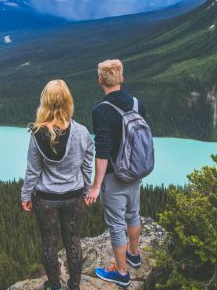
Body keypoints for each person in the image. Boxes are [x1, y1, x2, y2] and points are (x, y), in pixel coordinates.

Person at [21, 79, 94, 290]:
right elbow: (87, 166)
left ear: (45, 102)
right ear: (68, 101)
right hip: (74, 197)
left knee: (49, 243)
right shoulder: (82, 131)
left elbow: (33, 171)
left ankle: (54, 286)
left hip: (46, 199)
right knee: (73, 241)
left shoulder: (37, 133)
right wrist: (87, 190)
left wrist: (26, 196)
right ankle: (75, 285)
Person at [86, 59, 145, 288]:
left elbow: (102, 151)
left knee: (115, 224)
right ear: (122, 78)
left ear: (100, 81)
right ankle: (134, 254)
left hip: (113, 176)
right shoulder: (138, 104)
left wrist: (95, 185)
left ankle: (121, 273)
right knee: (133, 214)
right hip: (135, 173)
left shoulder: (101, 110)